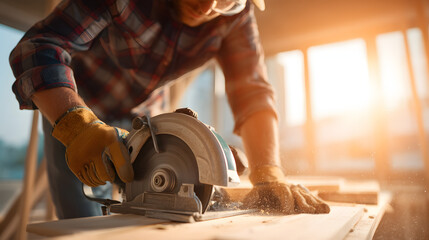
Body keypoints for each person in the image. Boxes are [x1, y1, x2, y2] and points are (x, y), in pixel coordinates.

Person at [9, 0, 329, 219]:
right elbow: (39, 46)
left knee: (150, 216)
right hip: (74, 106)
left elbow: (253, 93)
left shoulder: (235, 15)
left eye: (226, 0)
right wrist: (76, 124)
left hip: (146, 119)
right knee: (77, 219)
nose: (207, 7)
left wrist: (267, 172)